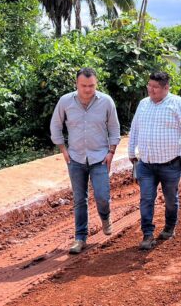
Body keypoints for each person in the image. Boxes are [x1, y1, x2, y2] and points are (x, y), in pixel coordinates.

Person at [50, 67, 121, 254]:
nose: (88, 89)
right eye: (84, 86)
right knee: (79, 200)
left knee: (102, 196)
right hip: (75, 159)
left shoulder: (106, 102)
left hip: (99, 158)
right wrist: (63, 150)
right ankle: (80, 238)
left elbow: (114, 129)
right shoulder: (65, 101)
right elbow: (55, 126)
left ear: (96, 84)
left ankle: (105, 217)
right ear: (77, 84)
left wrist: (111, 152)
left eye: (91, 86)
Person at [128, 71, 181, 250]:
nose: (151, 90)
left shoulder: (178, 104)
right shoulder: (143, 104)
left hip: (170, 163)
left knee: (170, 198)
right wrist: (131, 152)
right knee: (146, 199)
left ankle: (169, 227)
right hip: (146, 164)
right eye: (149, 86)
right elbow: (135, 129)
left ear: (166, 88)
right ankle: (147, 234)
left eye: (155, 87)